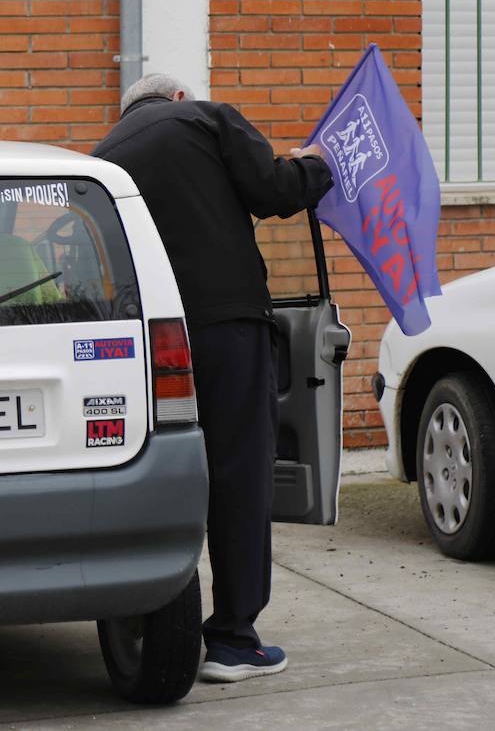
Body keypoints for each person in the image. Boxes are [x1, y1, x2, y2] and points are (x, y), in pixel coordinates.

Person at [93, 73, 332, 683]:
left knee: (160, 471)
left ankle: (150, 617)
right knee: (239, 471)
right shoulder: (204, 118)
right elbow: (274, 190)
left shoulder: (103, 160)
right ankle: (233, 639)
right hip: (226, 325)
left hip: (143, 341)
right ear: (177, 96)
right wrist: (312, 164)